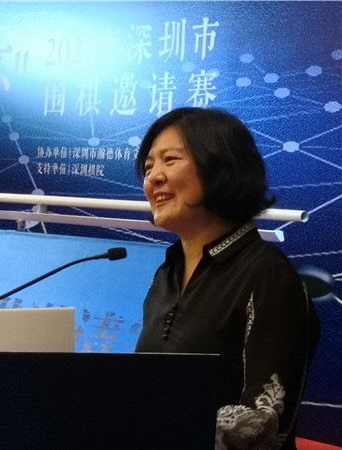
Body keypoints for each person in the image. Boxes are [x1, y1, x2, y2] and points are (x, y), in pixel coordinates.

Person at [134, 107, 320, 449]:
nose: (154, 178)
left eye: (170, 160)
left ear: (221, 167)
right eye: (148, 167)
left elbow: (265, 423)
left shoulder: (267, 275)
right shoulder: (166, 274)